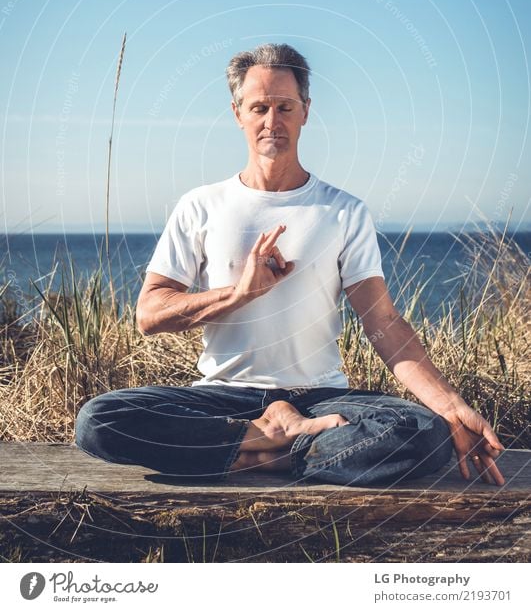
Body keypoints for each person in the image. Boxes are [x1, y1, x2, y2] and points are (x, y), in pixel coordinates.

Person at [75, 43, 505, 487]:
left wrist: (450, 402)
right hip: (223, 398)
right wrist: (239, 294)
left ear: (305, 111)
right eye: (259, 107)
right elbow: (149, 314)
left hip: (321, 399)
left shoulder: (342, 211)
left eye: (285, 106)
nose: (272, 121)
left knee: (423, 431)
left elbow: (383, 321)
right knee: (99, 420)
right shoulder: (200, 206)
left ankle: (242, 455)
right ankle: (270, 440)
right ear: (237, 112)